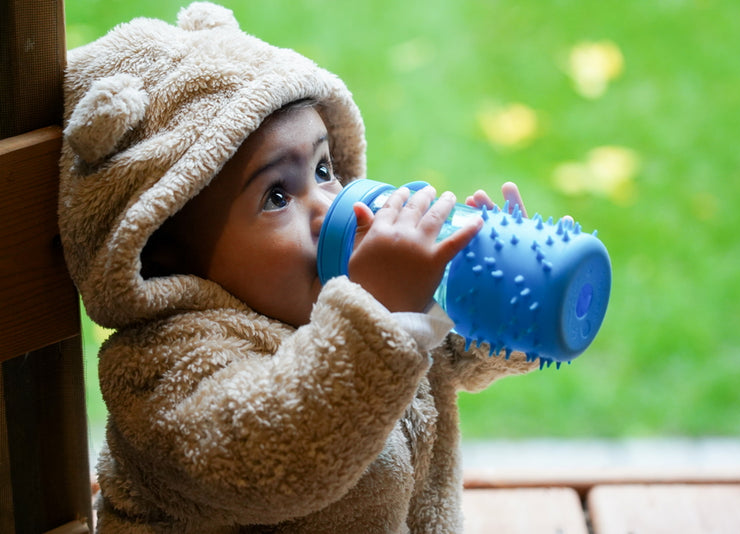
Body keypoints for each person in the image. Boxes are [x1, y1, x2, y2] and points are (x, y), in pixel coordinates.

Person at [59, 3, 538, 532]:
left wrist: (498, 296)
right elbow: (271, 454)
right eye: (277, 194)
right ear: (162, 249)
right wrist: (378, 314)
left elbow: (441, 351)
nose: (328, 206)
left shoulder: (352, 306)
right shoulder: (162, 372)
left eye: (324, 168)